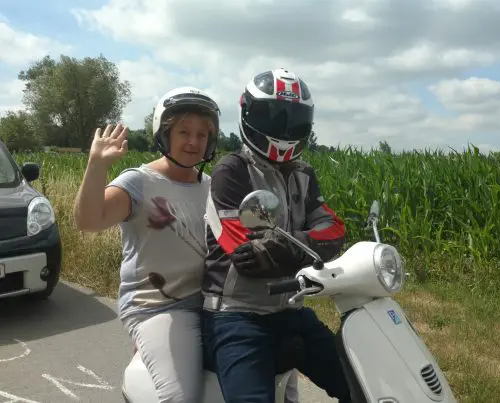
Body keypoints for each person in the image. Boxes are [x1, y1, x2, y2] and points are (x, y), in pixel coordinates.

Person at [202, 68, 352, 403]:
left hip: (291, 310)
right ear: (248, 113)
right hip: (236, 315)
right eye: (273, 117)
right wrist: (310, 246)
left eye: (293, 120)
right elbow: (246, 255)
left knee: (360, 383)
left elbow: (335, 230)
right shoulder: (232, 171)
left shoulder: (304, 173)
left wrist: (280, 248)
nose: (284, 130)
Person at [73, 87, 220, 403]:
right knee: (179, 398)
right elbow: (89, 220)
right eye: (184, 132)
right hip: (157, 306)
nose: (194, 142)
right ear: (165, 135)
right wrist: (97, 165)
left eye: (202, 134)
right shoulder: (139, 182)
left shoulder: (212, 186)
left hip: (211, 303)